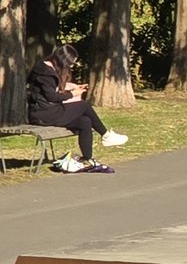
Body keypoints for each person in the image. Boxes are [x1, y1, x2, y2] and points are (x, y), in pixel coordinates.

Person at [27, 43, 127, 173]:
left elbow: (51, 90)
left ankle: (87, 159)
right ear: (63, 60)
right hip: (42, 114)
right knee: (85, 105)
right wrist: (73, 94)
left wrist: (73, 88)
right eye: (70, 63)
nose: (71, 66)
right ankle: (106, 136)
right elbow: (52, 96)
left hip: (50, 110)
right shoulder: (45, 72)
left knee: (85, 121)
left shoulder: (49, 69)